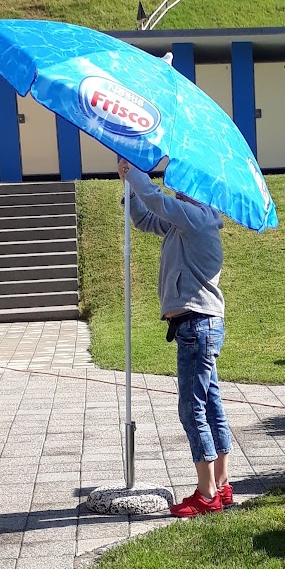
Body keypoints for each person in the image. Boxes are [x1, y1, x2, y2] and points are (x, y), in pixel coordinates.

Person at [118, 157, 233, 518]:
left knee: (191, 409)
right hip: (200, 326)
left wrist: (136, 174)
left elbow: (157, 200)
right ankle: (222, 484)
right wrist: (129, 190)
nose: (176, 187)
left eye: (182, 183)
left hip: (196, 326)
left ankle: (207, 494)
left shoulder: (196, 218)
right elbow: (146, 218)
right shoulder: (185, 221)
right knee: (210, 404)